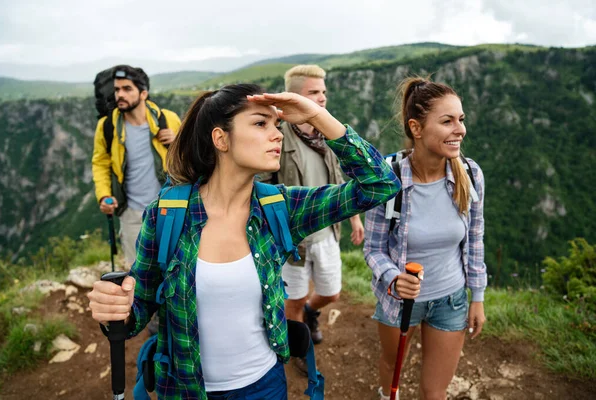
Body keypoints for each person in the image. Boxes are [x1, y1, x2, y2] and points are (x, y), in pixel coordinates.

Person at [88, 83, 399, 399]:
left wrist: (316, 115)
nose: (277, 134)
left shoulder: (279, 207)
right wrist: (119, 310)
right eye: (260, 123)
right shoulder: (167, 214)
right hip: (185, 390)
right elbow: (139, 305)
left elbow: (380, 184)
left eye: (277, 125)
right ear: (220, 139)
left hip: (264, 386)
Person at [364, 77, 487, 400]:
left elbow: (475, 238)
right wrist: (393, 278)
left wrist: (477, 296)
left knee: (435, 393)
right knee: (392, 369)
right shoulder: (386, 179)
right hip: (398, 302)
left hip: (452, 299)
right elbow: (374, 249)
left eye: (460, 119)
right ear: (416, 128)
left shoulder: (470, 174)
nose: (459, 129)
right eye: (447, 121)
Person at [267, 65, 365, 355]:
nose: (322, 98)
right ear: (295, 98)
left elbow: (341, 180)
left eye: (323, 91)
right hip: (293, 240)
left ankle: (311, 312)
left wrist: (354, 218)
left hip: (327, 233)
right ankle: (299, 348)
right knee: (292, 301)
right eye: (314, 92)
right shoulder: (278, 137)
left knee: (331, 292)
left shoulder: (330, 134)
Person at [92, 64, 181, 269]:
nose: (120, 95)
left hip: (169, 209)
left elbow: (189, 158)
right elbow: (100, 163)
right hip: (132, 214)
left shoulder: (168, 119)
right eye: (116, 90)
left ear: (143, 93)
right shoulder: (107, 126)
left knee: (174, 269)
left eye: (127, 89)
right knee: (138, 275)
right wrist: (104, 195)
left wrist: (177, 141)